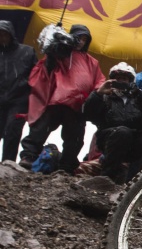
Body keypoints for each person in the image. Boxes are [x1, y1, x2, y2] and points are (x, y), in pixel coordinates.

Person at [19, 24, 105, 174]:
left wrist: (98, 92)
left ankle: (67, 165)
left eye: (85, 39)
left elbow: (99, 80)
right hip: (57, 100)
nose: (82, 42)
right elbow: (48, 65)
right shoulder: (62, 53)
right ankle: (29, 156)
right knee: (41, 128)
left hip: (78, 105)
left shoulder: (92, 62)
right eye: (79, 38)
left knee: (75, 138)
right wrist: (55, 44)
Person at [82, 62, 142, 181]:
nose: (120, 82)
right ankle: (106, 177)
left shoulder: (137, 98)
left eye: (124, 79)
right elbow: (87, 113)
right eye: (117, 79)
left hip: (135, 140)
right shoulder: (105, 97)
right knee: (123, 132)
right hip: (111, 138)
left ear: (130, 81)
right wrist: (98, 94)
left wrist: (139, 93)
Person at [0, 20, 36, 163]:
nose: (2, 37)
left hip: (19, 100)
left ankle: (7, 164)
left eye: (5, 34)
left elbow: (38, 75)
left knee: (13, 132)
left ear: (11, 34)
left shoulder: (27, 51)